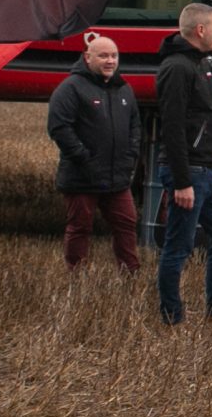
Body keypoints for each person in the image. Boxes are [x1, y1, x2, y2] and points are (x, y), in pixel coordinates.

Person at [155, 2, 212, 324]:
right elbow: (173, 128)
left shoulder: (202, 64)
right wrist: (182, 182)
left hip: (206, 172)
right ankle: (171, 316)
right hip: (188, 173)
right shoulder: (177, 68)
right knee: (179, 246)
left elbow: (208, 119)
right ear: (200, 30)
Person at [46, 32, 142, 274]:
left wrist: (131, 155)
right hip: (82, 176)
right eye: (103, 56)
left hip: (117, 176)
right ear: (88, 58)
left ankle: (131, 274)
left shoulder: (124, 89)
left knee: (127, 224)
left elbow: (135, 125)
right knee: (80, 227)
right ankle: (76, 275)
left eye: (114, 56)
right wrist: (83, 157)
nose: (110, 61)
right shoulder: (70, 88)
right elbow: (59, 127)